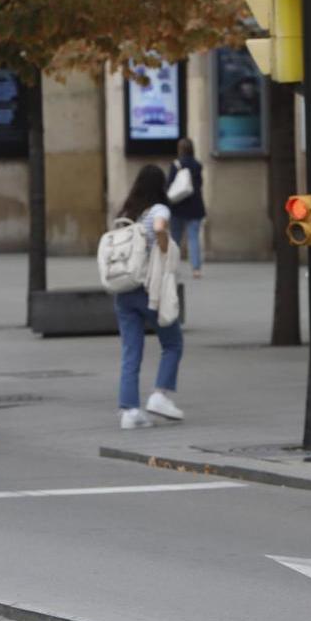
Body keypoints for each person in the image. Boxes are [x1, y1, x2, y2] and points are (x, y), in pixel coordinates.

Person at [116, 165, 185, 430]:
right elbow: (159, 228)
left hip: (124, 290)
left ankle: (129, 411)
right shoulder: (159, 210)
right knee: (173, 343)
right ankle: (160, 395)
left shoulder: (128, 212)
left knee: (131, 352)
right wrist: (164, 244)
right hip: (150, 290)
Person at [167, 138, 206, 278]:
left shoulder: (176, 165)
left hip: (177, 207)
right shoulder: (197, 165)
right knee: (194, 238)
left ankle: (171, 268)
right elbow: (200, 184)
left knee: (175, 239)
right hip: (195, 207)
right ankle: (196, 269)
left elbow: (169, 185)